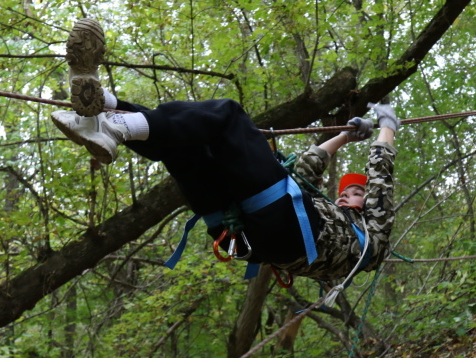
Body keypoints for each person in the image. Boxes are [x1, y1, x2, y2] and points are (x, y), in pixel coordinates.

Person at [51, 18, 398, 283]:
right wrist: (346, 136)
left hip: (280, 235)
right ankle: (103, 107)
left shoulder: (373, 238)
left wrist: (388, 125)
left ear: (366, 207)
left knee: (228, 116)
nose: (345, 197)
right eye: (346, 192)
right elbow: (308, 166)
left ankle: (110, 118)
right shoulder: (323, 210)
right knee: (185, 145)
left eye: (355, 194)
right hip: (236, 237)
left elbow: (380, 175)